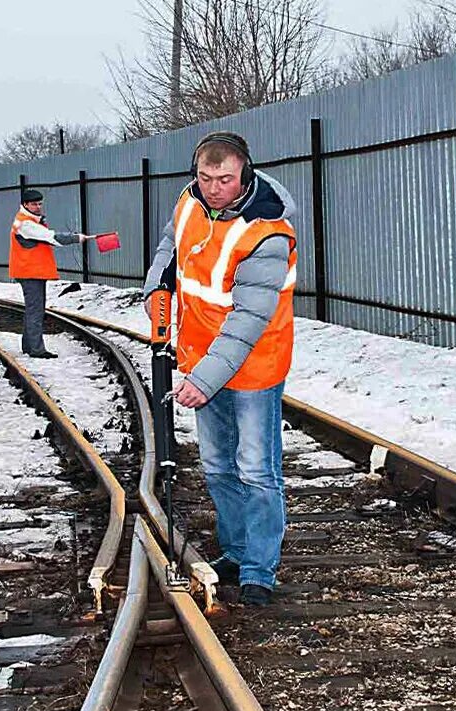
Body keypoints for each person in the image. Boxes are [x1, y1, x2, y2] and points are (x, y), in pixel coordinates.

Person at [143, 131, 297, 606]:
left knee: (256, 470)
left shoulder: (267, 233)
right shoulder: (190, 201)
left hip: (252, 366)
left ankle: (258, 571)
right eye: (205, 177)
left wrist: (203, 382)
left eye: (224, 179)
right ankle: (235, 550)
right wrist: (156, 291)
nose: (213, 187)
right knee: (216, 468)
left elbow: (247, 321)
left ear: (244, 173)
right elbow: (171, 245)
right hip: (199, 356)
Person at [9, 189, 91, 358]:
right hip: (30, 272)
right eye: (34, 204)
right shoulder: (25, 224)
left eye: (40, 203)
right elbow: (50, 237)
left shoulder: (28, 220)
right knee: (36, 311)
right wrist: (76, 238)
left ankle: (29, 346)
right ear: (25, 204)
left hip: (32, 272)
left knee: (33, 309)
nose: (38, 207)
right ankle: (37, 350)